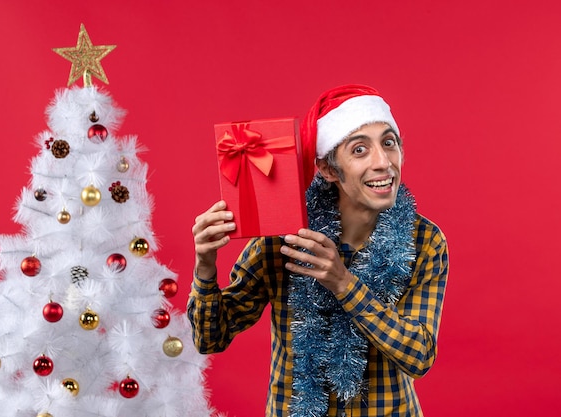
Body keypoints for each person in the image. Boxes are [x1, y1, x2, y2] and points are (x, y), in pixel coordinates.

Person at [187, 84, 449, 417]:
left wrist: (343, 283)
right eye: (359, 150)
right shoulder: (285, 237)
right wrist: (205, 267)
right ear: (327, 169)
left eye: (388, 143)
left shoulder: (425, 241)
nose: (383, 162)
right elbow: (210, 339)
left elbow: (419, 355)